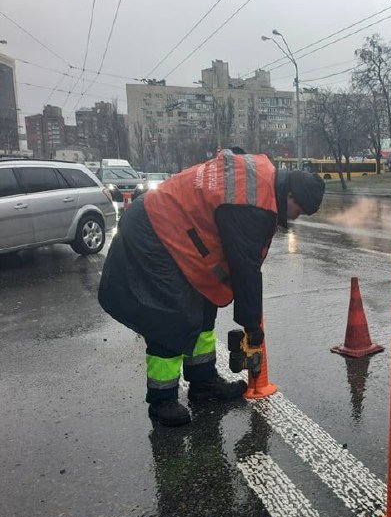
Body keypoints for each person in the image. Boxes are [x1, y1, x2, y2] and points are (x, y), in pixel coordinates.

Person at [98, 148, 325, 427]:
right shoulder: (253, 206)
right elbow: (245, 268)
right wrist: (252, 327)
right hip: (154, 228)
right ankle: (162, 400)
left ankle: (203, 383)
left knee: (205, 303)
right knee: (170, 316)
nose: (295, 218)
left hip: (176, 229)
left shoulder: (262, 177)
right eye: (298, 211)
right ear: (290, 195)